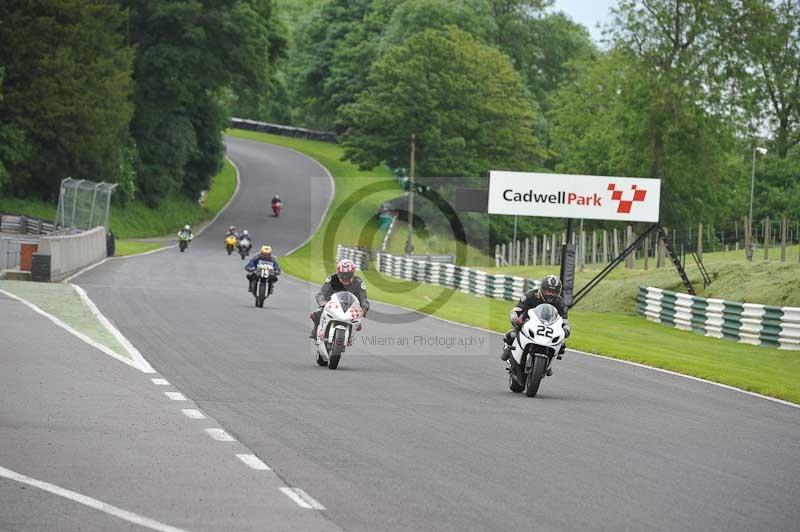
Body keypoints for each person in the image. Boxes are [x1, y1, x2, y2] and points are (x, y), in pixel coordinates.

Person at [501, 274, 570, 370]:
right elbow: (518, 309)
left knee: (562, 345)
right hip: (526, 323)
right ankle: (509, 349)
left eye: (554, 292)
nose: (551, 294)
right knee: (511, 335)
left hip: (549, 328)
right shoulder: (529, 296)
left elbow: (564, 321)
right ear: (542, 289)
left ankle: (548, 363)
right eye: (548, 291)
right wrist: (514, 317)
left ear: (558, 293)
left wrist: (566, 329)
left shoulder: (561, 304)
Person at [309, 259, 370, 339]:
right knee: (316, 313)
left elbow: (363, 298)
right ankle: (316, 329)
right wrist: (322, 301)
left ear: (353, 273)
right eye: (342, 274)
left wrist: (364, 308)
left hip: (350, 307)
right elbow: (322, 293)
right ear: (338, 273)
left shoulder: (358, 282)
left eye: (348, 274)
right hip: (332, 305)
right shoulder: (332, 279)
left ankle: (350, 336)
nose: (345, 277)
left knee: (358, 322)